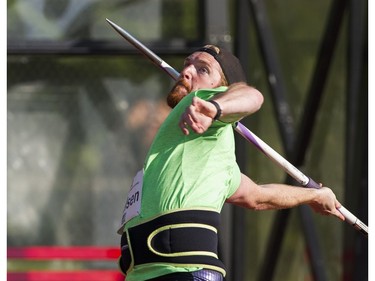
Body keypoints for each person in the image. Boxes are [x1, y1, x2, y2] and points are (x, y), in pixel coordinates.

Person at [117, 45, 345, 281]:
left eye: (202, 69)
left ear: (223, 89)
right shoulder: (214, 161)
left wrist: (214, 108)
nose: (186, 72)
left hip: (183, 274)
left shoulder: (198, 101)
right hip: (145, 274)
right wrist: (314, 196)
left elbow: (253, 96)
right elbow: (258, 195)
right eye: (188, 63)